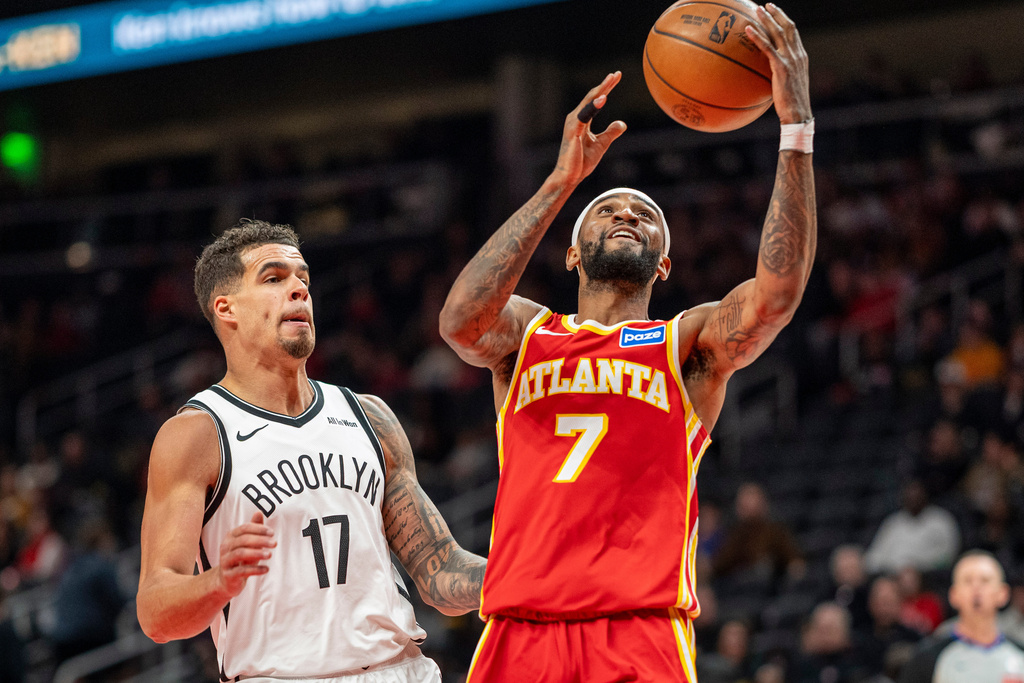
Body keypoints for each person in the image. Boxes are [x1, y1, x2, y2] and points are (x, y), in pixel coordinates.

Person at [440, 5, 815, 681]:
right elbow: (460, 321)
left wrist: (796, 129)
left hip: (639, 631)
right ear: (572, 255)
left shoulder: (687, 345)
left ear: (663, 264)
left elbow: (776, 297)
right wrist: (561, 184)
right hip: (519, 630)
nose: (626, 216)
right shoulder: (529, 334)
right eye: (607, 210)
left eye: (645, 215)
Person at [136, 221, 486, 682]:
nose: (299, 289)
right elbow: (156, 615)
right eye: (274, 278)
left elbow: (441, 574)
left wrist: (531, 572)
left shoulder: (369, 416)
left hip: (400, 670)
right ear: (226, 308)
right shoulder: (197, 434)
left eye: (303, 278)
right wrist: (218, 582)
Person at [900, 550, 1024, 683]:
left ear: (1003, 593)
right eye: (968, 581)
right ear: (953, 595)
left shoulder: (1019, 655)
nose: (976, 588)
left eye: (985, 580)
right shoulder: (928, 659)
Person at [864, 480, 960, 575]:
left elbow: (948, 555)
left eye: (917, 497)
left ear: (925, 496)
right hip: (894, 575)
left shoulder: (941, 520)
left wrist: (918, 567)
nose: (913, 500)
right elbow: (875, 557)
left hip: (928, 575)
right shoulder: (893, 523)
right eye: (909, 497)